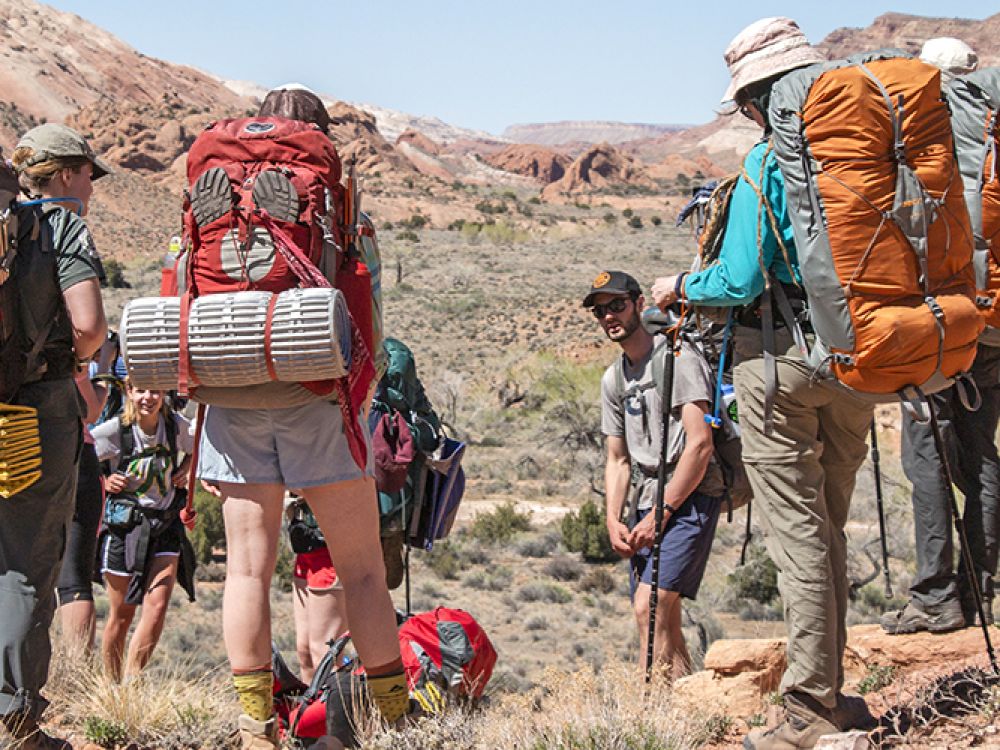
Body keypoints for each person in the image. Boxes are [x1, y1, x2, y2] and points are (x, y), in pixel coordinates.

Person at [651, 18, 876, 749]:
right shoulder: (862, 151)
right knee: (829, 529)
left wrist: (681, 283)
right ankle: (833, 692)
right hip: (856, 361)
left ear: (753, 99)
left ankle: (809, 710)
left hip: (778, 366)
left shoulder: (764, 169)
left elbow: (741, 277)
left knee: (800, 542)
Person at [196, 85, 406, 749]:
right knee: (364, 571)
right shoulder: (339, 210)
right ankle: (393, 721)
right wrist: (357, 404)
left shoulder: (219, 186)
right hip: (316, 394)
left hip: (231, 384)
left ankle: (255, 724)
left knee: (245, 571)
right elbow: (365, 318)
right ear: (322, 143)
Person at [880, 38, 994, 635]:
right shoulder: (990, 128)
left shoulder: (924, 126)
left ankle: (936, 595)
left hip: (942, 318)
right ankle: (983, 591)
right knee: (981, 454)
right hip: (994, 313)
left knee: (926, 453)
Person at [4, 123, 109, 748]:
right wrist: (76, 363)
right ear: (66, 173)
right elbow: (90, 326)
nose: (91, 188)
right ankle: (16, 717)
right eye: (88, 175)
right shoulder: (60, 228)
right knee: (24, 561)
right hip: (34, 412)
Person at [586, 270, 723, 679]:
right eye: (599, 311)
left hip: (690, 492)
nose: (609, 316)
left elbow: (700, 444)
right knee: (663, 612)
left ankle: (651, 711)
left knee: (651, 605)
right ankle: (687, 706)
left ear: (638, 303)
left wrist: (661, 514)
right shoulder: (614, 379)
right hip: (645, 501)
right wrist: (612, 518)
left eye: (617, 305)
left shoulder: (675, 359)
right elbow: (618, 459)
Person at [93, 383, 195, 680]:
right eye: (141, 391)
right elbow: (86, 454)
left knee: (157, 606)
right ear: (129, 391)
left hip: (164, 525)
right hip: (125, 529)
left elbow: (202, 444)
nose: (148, 398)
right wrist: (106, 478)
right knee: (122, 616)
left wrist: (187, 467)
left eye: (155, 391)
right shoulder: (116, 430)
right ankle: (111, 687)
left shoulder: (175, 427)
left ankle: (132, 683)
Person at [56, 341, 115, 652]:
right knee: (74, 577)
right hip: (75, 452)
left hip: (15, 446)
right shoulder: (68, 345)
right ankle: (76, 676)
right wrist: (103, 364)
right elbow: (91, 410)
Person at [286, 497, 347, 682]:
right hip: (305, 547)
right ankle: (312, 707)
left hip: (331, 553)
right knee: (305, 651)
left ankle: (338, 707)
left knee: (325, 654)